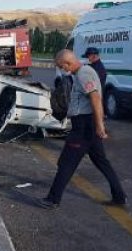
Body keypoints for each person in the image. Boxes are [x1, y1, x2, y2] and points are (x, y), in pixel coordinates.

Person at [39, 49, 126, 209]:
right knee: (102, 162)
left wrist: (100, 126)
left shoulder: (83, 74)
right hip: (87, 125)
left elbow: (95, 99)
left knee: (66, 163)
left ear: (67, 63)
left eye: (61, 66)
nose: (62, 69)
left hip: (84, 127)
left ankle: (53, 199)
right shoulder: (82, 72)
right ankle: (119, 196)